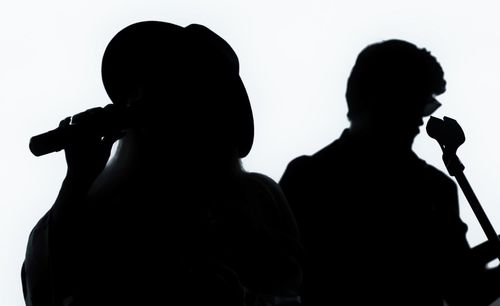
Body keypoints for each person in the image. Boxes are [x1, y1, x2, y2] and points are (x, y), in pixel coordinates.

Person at [22, 21, 302, 306]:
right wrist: (77, 182)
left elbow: (296, 294)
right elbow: (44, 292)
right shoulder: (100, 208)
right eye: (143, 91)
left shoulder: (257, 199)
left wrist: (235, 298)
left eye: (181, 90)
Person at [279, 39, 500, 306]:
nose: (421, 120)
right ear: (381, 99)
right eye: (415, 103)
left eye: (425, 106)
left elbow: (460, 282)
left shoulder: (307, 177)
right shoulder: (432, 189)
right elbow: (464, 288)